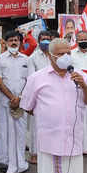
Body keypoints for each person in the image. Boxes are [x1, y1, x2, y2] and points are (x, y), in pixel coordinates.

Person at [20, 39, 87, 173]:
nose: (65, 56)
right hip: (49, 140)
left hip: (73, 139)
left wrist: (83, 86)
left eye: (68, 53)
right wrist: (48, 116)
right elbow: (27, 107)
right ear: (50, 56)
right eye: (61, 54)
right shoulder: (37, 78)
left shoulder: (80, 76)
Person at [0, 31, 29, 173]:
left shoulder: (26, 60)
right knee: (5, 133)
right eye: (10, 40)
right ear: (6, 42)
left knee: (21, 133)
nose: (14, 42)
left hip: (22, 103)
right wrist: (12, 98)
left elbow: (30, 81)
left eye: (16, 40)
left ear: (20, 42)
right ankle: (5, 160)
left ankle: (21, 161)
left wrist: (20, 98)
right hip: (6, 102)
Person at [26, 30, 52, 164]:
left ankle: (48, 151)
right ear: (38, 40)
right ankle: (34, 153)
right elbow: (31, 78)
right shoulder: (33, 57)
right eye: (43, 39)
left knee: (50, 125)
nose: (45, 41)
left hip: (53, 95)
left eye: (48, 38)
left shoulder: (54, 56)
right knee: (36, 126)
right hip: (38, 95)